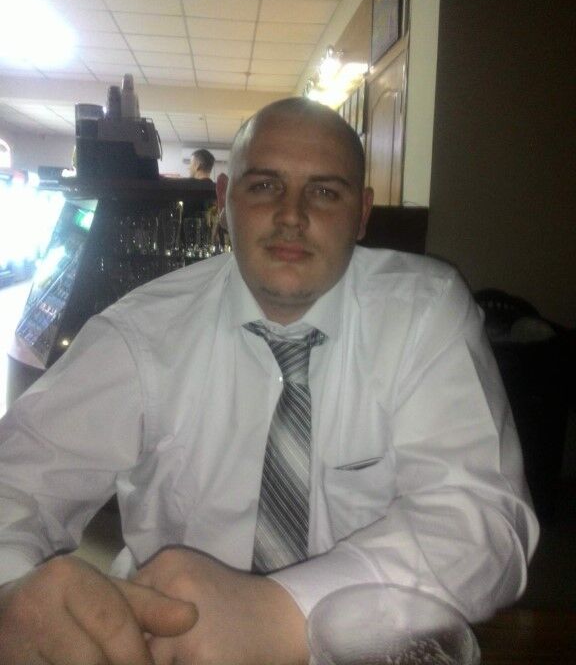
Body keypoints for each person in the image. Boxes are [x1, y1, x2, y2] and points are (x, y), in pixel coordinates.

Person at [0, 98, 538, 664]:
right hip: (172, 643)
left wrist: (284, 611)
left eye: (325, 192)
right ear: (223, 199)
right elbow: (16, 480)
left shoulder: (423, 312)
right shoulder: (140, 332)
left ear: (361, 214)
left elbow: (484, 519)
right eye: (264, 186)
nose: (292, 216)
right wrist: (14, 593)